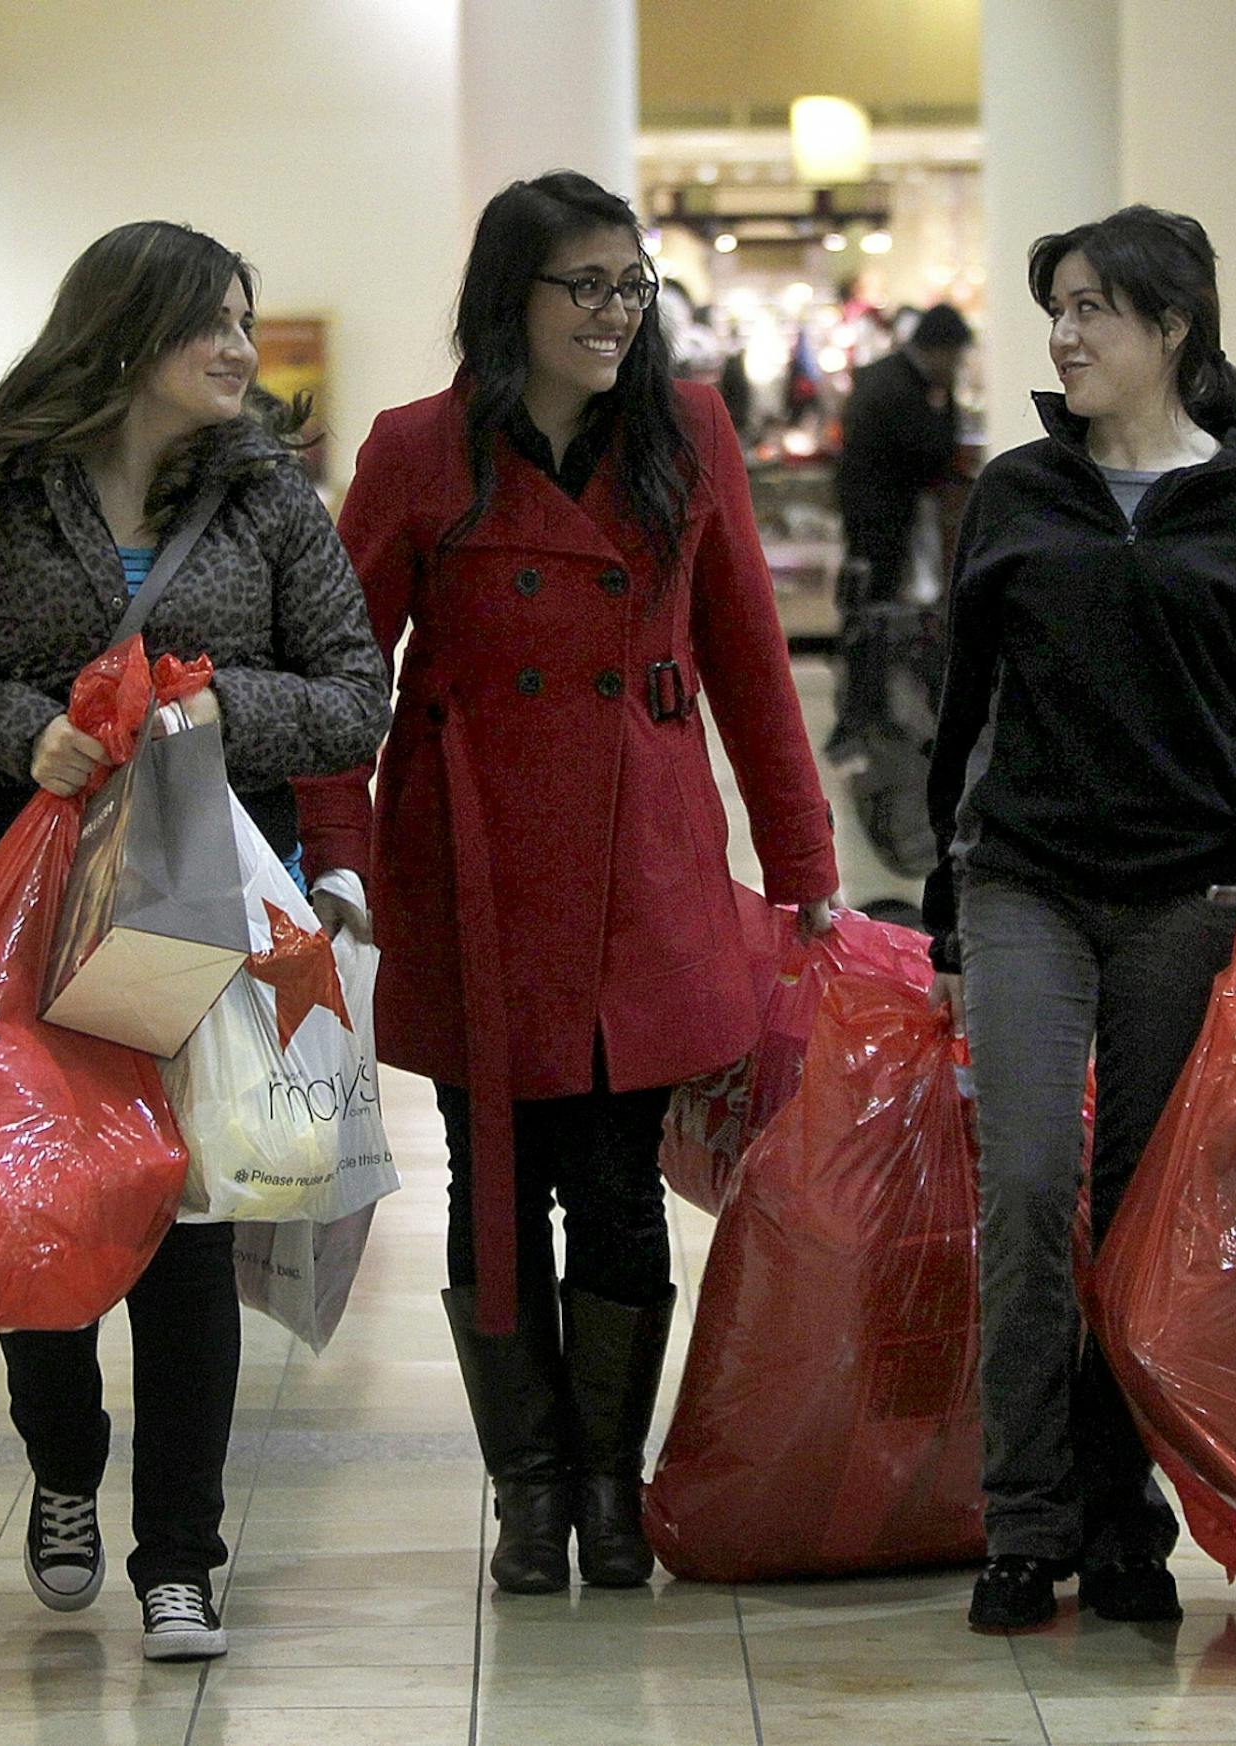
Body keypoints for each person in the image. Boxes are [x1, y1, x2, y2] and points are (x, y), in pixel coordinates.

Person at [0, 221, 390, 1661]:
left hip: (201, 902)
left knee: (185, 1221)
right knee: (39, 1193)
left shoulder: (271, 497)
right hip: (19, 902)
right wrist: (13, 732)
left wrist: (233, 715)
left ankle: (181, 1557)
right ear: (124, 336)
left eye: (242, 316)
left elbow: (356, 694)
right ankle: (62, 1455)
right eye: (208, 321)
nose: (237, 346)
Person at [294, 170, 838, 1597]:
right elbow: (348, 680)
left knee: (614, 1182)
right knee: (493, 1173)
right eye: (584, 286)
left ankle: (608, 1484)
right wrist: (340, 857)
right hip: (470, 858)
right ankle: (526, 1489)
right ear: (510, 302)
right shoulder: (418, 448)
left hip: (640, 859)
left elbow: (749, 662)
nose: (613, 314)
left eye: (629, 286)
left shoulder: (690, 430)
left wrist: (806, 866)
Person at [923, 206, 1236, 1632]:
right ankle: (1025, 1522)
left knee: (1146, 1219)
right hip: (1026, 878)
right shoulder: (1020, 492)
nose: (1066, 333)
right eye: (1059, 306)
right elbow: (963, 710)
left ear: (1173, 330)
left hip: (1185, 895)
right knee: (1030, 1187)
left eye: (1095, 307)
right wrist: (948, 919)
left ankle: (1121, 1514)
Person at [828, 303, 971, 759]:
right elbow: (935, 451)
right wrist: (947, 400)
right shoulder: (902, 390)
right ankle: (863, 718)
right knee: (874, 618)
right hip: (882, 523)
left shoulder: (883, 378)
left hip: (869, 521)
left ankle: (864, 715)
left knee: (867, 616)